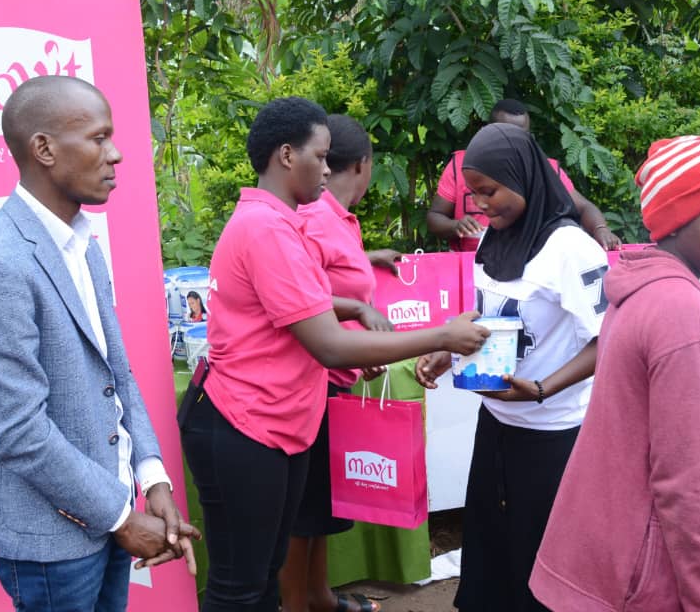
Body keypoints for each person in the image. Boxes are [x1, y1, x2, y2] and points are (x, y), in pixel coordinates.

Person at [180, 96, 489, 612]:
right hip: (242, 424)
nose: (327, 169)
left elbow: (304, 301)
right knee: (240, 590)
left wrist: (355, 307)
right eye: (320, 157)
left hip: (272, 423)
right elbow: (328, 343)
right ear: (286, 155)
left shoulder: (282, 222)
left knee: (263, 578)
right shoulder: (266, 228)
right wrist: (441, 336)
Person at [0, 76, 199, 612]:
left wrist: (152, 478)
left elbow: (115, 373)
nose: (116, 154)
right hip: (49, 538)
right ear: (44, 149)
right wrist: (122, 519)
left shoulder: (82, 245)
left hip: (110, 507)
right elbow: (20, 430)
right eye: (99, 138)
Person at [530, 135, 700, 611]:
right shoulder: (681, 314)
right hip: (645, 570)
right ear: (675, 221)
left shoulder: (645, 289)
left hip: (618, 547)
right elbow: (685, 481)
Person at [414, 122, 607, 612]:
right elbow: (491, 313)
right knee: (494, 551)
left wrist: (542, 388)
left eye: (490, 191)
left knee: (542, 560)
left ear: (523, 177)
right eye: (474, 193)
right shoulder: (492, 239)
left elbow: (608, 340)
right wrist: (448, 347)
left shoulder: (572, 249)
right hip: (497, 422)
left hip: (553, 432)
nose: (480, 205)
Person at [278, 114, 398, 612]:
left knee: (321, 504)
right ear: (363, 165)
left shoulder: (337, 218)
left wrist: (369, 259)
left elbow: (329, 284)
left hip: (335, 375)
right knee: (303, 512)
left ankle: (319, 597)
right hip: (313, 380)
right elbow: (302, 297)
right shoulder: (314, 218)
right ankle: (295, 604)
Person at [426, 99, 621, 251]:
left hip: (528, 262)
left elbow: (584, 207)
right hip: (469, 263)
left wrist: (601, 229)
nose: (515, 141)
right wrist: (455, 226)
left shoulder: (546, 168)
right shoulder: (462, 165)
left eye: (522, 135)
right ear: (488, 131)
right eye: (507, 134)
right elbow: (435, 217)